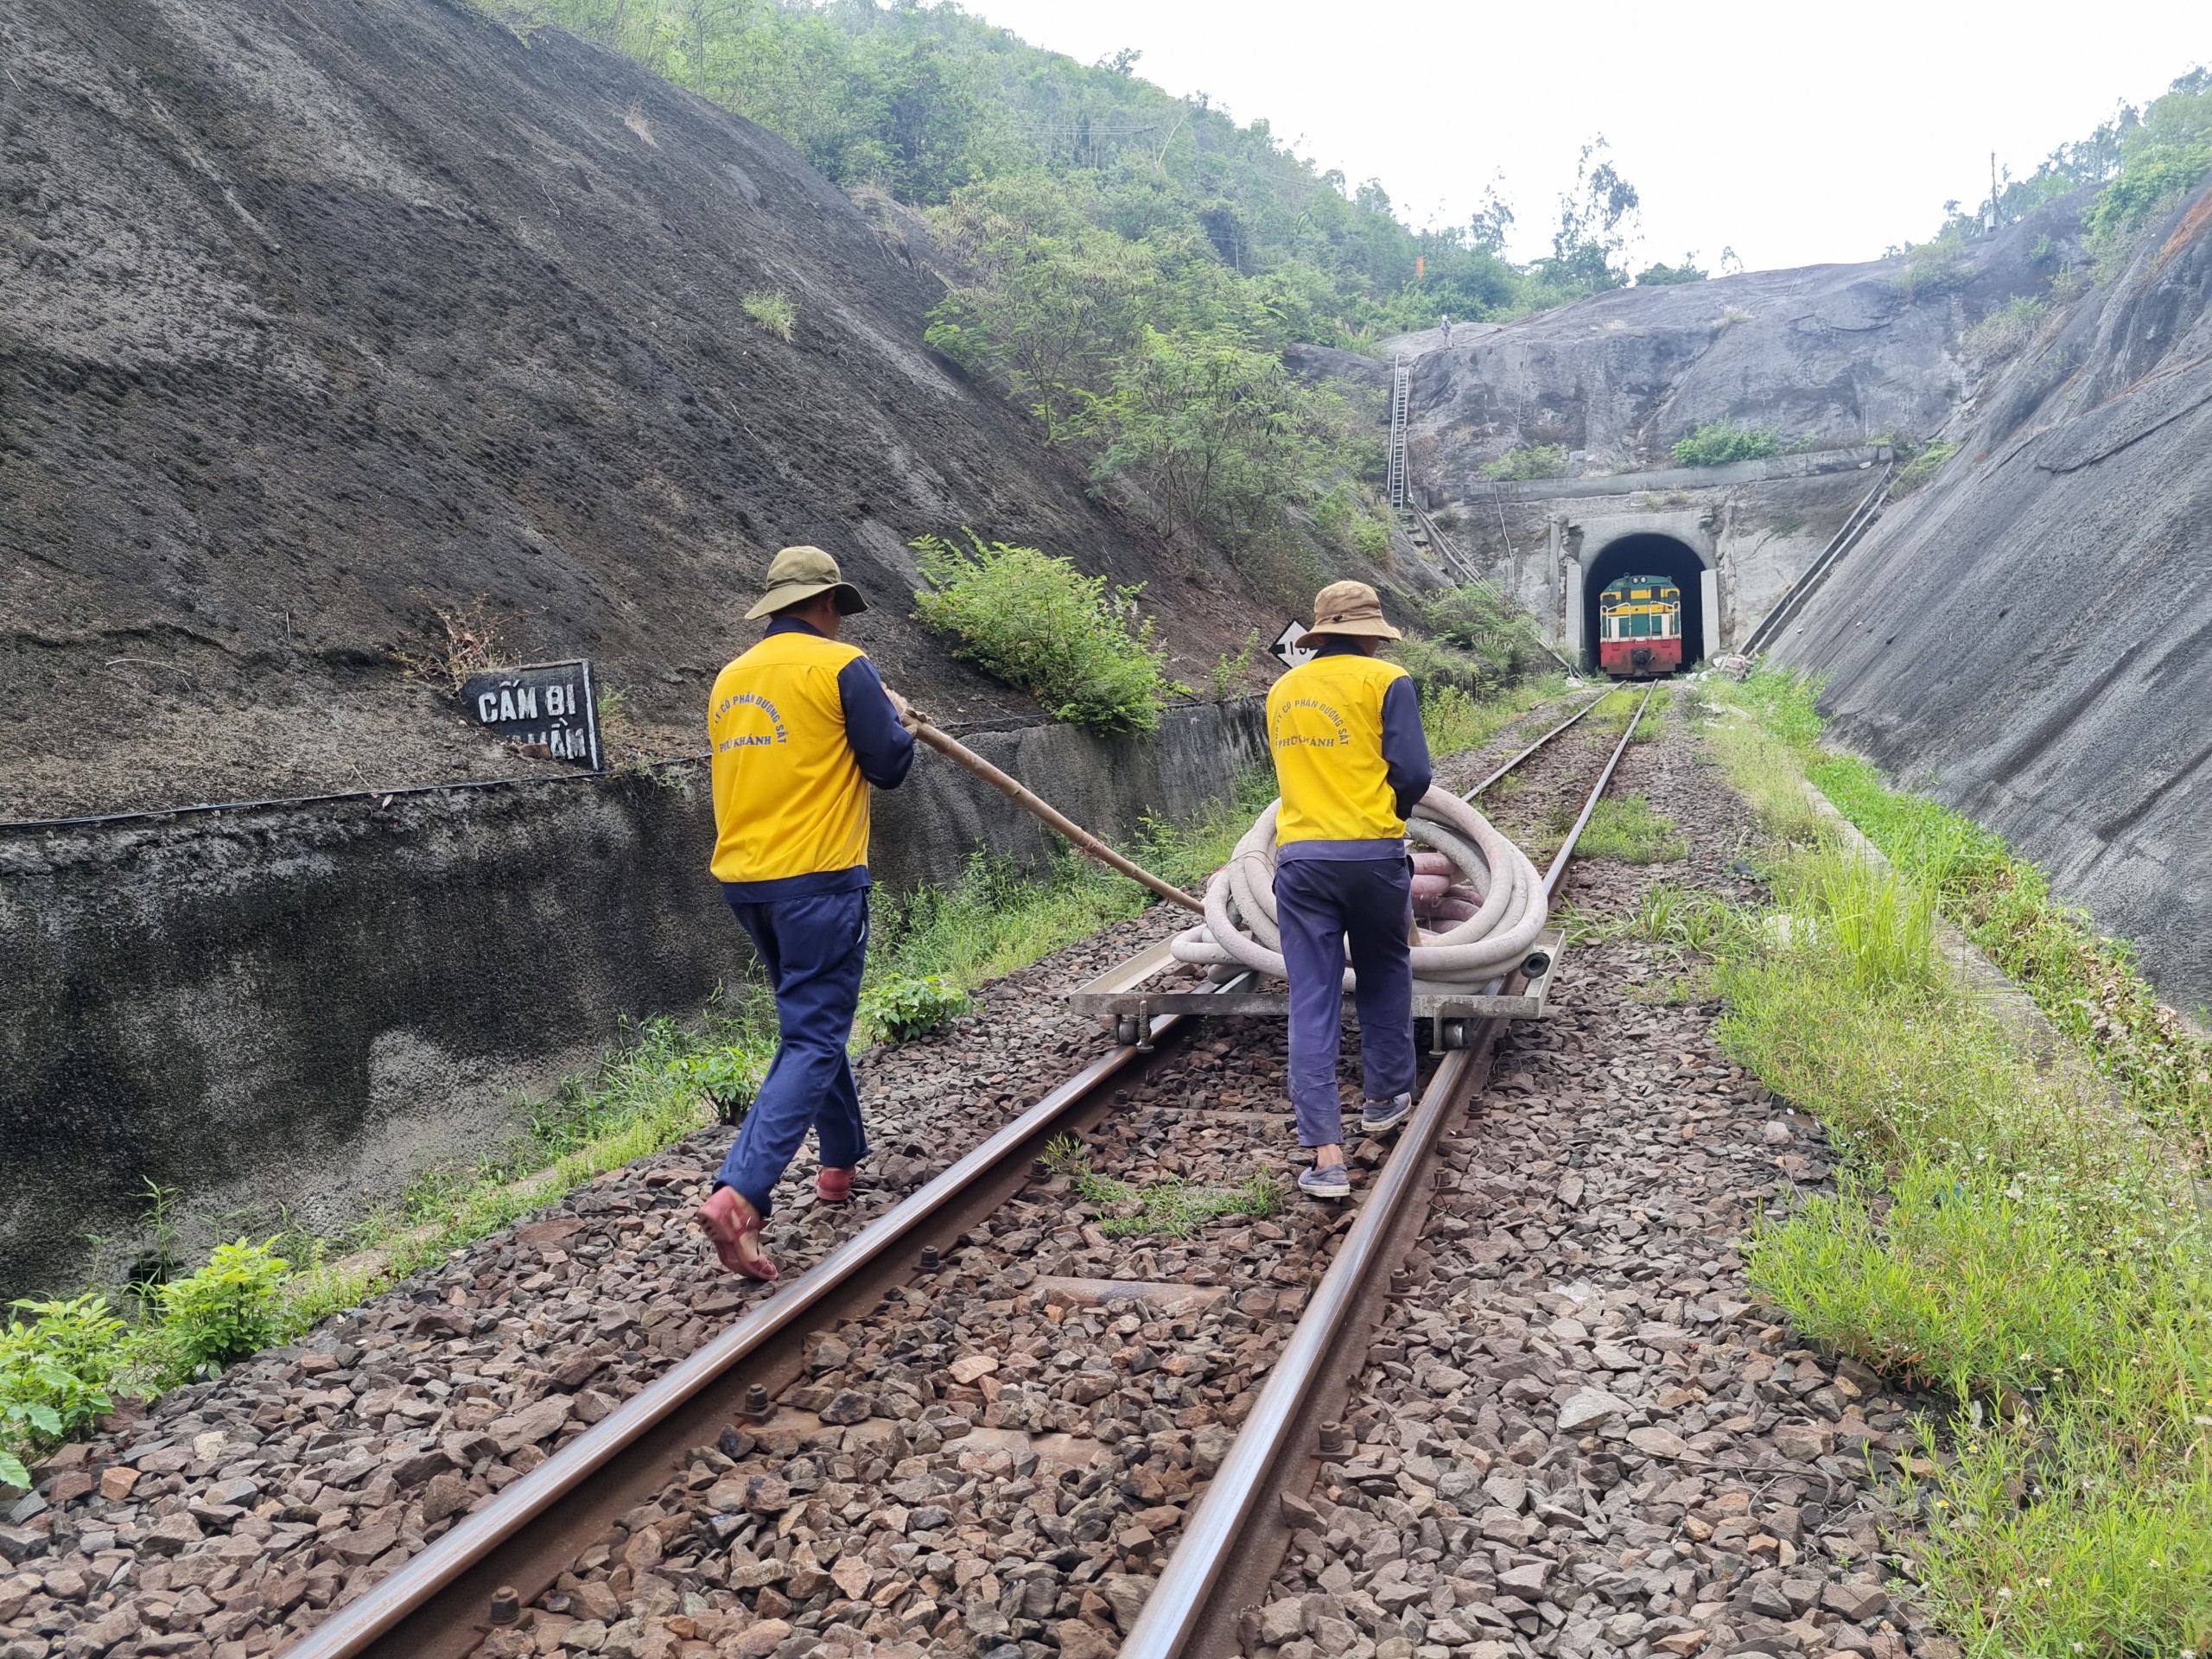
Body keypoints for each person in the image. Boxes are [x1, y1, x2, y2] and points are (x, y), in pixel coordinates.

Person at [696, 545, 917, 1280]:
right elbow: (886, 766)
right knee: (817, 1037)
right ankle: (740, 1193)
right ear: (827, 605)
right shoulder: (842, 666)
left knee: (810, 1025)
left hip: (746, 884)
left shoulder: (730, 679)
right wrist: (899, 721)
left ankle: (840, 1161)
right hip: (818, 880)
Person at [1265, 581, 1433, 1199]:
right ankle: (1385, 1098)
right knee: (1386, 968)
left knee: (1312, 996)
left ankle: (1326, 1157)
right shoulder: (1386, 681)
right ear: (1370, 633)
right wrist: (1392, 810)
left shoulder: (1281, 690)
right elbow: (1414, 772)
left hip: (1302, 859)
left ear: (1319, 633)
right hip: (1372, 853)